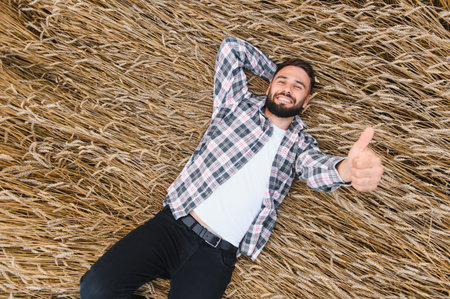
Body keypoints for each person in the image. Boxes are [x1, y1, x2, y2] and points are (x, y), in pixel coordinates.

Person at [79, 36, 383, 299]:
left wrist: (347, 169)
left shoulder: (301, 144)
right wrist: (273, 71)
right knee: (95, 289)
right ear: (269, 85)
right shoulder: (234, 104)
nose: (288, 89)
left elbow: (317, 169)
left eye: (298, 87)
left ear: (307, 101)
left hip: (215, 256)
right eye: (282, 81)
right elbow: (231, 48)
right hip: (173, 226)